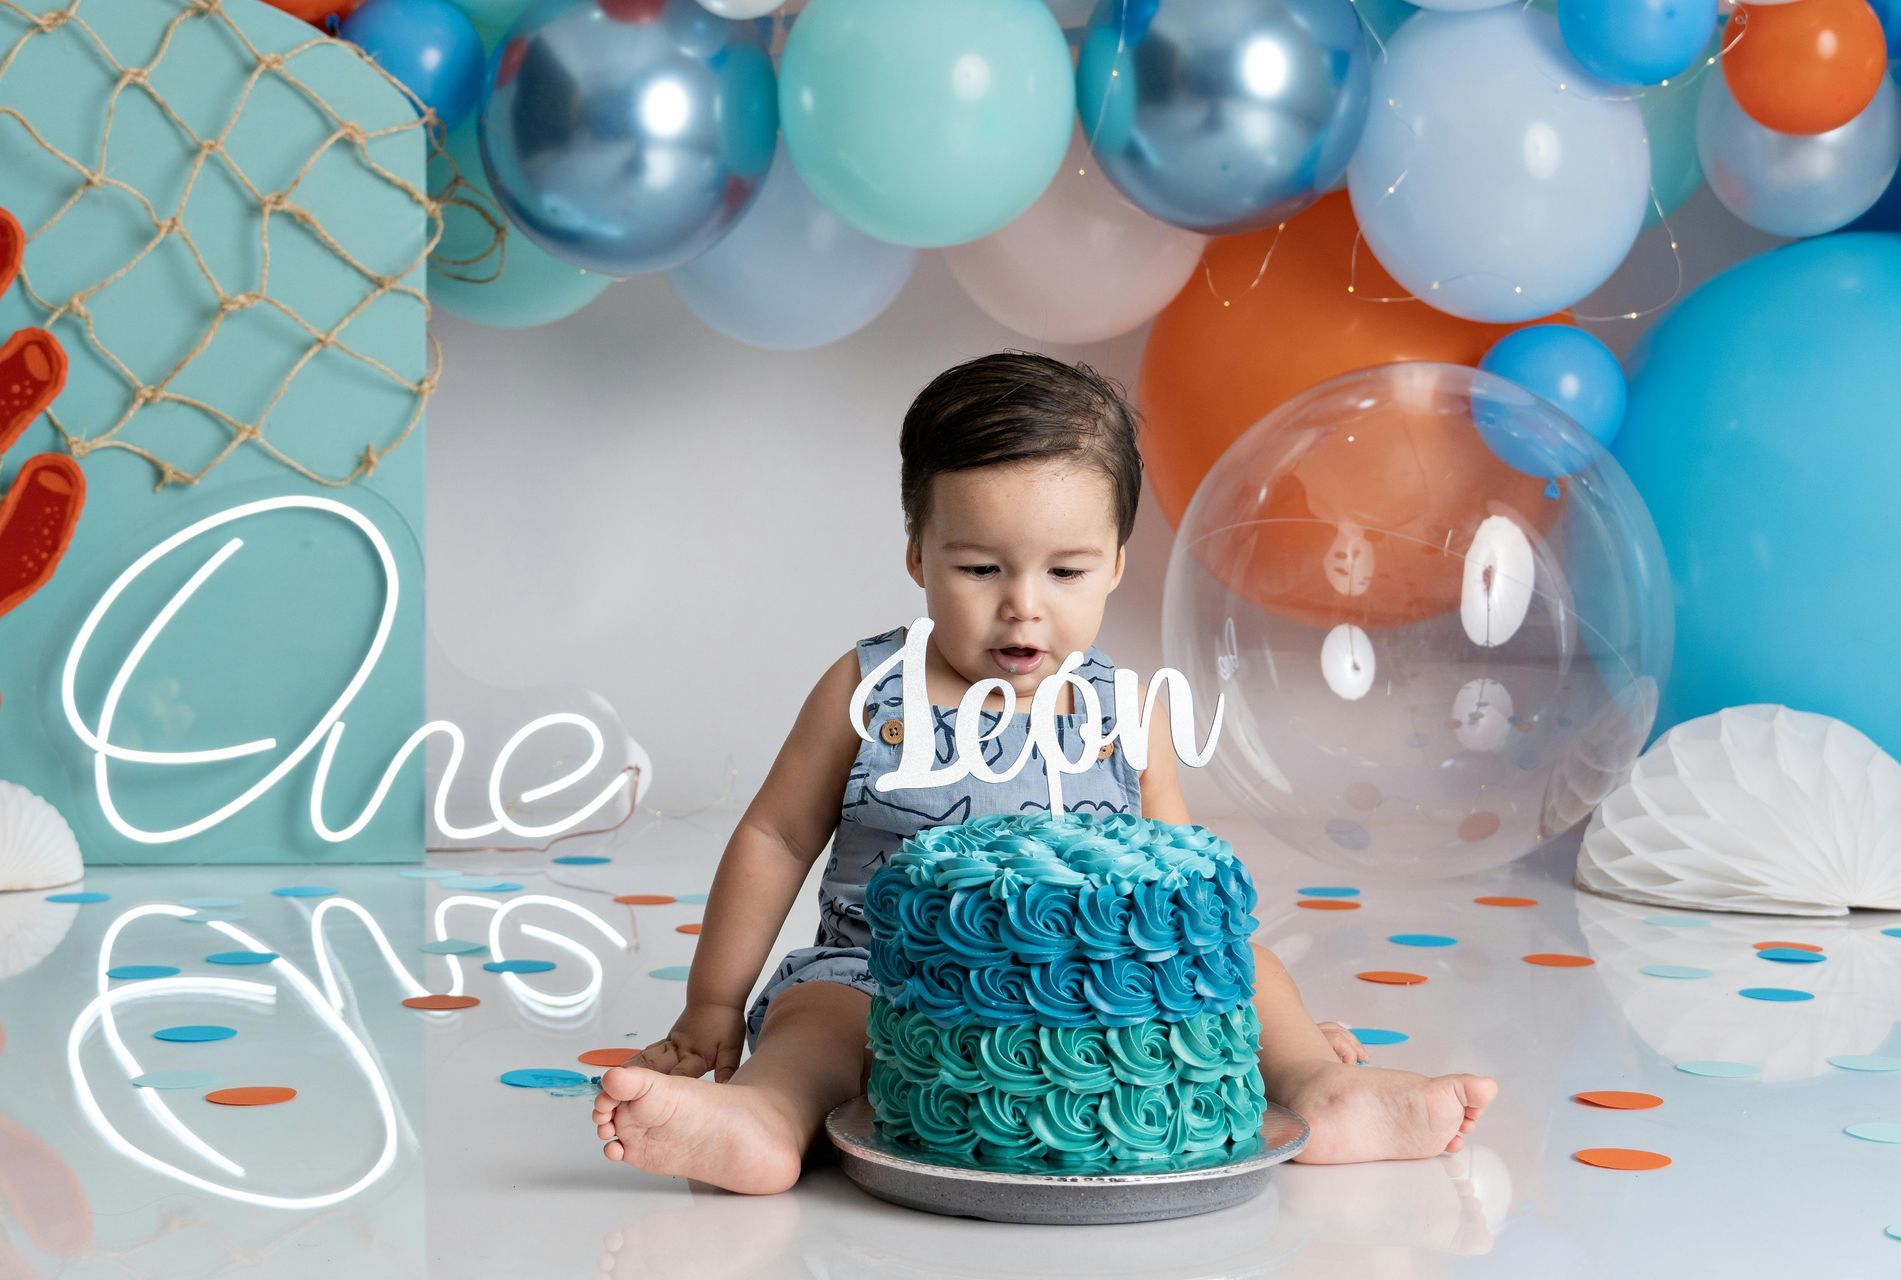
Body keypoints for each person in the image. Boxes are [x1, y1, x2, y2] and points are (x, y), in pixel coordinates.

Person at [591, 352, 1497, 1193]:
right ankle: (764, 1116)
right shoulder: (873, 689)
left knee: (1249, 966)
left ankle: (1316, 1087)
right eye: (981, 567)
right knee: (820, 1023)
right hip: (885, 973)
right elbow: (777, 834)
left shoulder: (1125, 710)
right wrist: (714, 1000)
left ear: (1115, 568)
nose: (1023, 605)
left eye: (1066, 570)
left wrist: (1234, 1018)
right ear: (917, 555)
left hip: (1100, 996)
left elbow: (1171, 868)